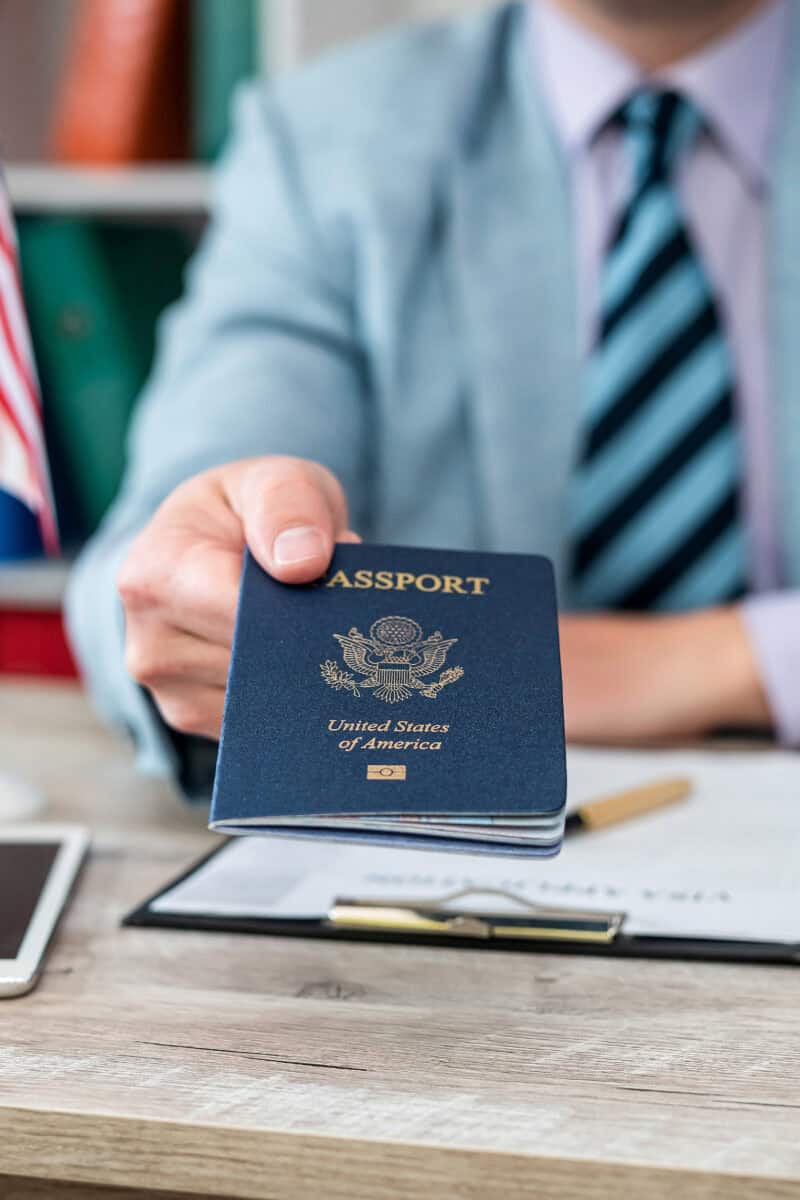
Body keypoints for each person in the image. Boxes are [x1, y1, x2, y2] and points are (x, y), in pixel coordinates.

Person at [68, 0, 798, 790]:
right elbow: (144, 562)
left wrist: (696, 667)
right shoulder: (323, 137)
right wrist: (198, 589)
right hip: (430, 836)